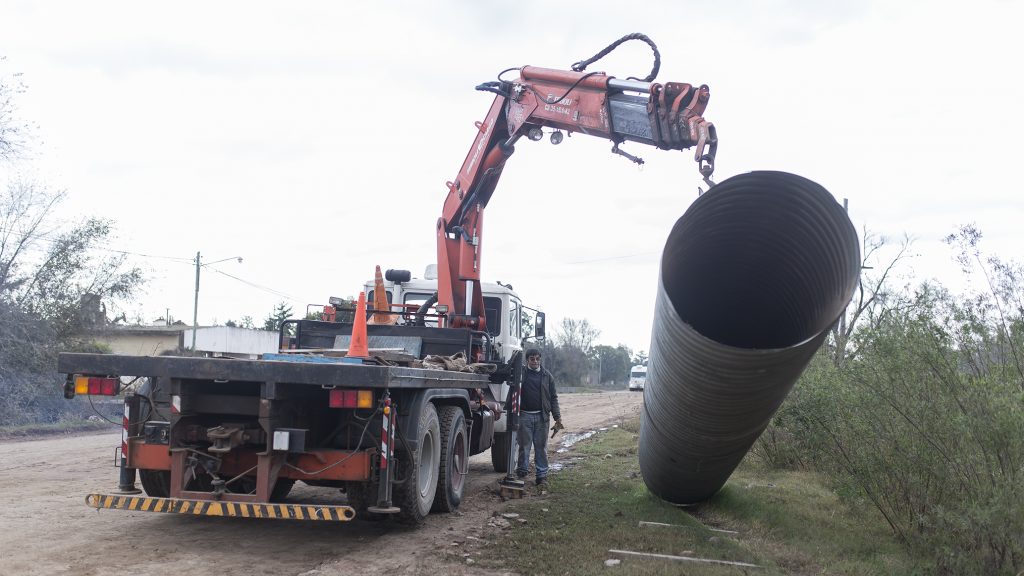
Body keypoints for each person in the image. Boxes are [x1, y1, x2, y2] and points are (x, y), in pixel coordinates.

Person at [515, 348, 562, 492]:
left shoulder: (547, 376)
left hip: (542, 418)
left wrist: (557, 417)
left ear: (540, 359)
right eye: (532, 359)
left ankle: (541, 476)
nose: (535, 361)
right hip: (524, 416)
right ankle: (522, 472)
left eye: (537, 359)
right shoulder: (521, 374)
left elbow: (553, 398)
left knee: (541, 447)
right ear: (527, 360)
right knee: (524, 446)